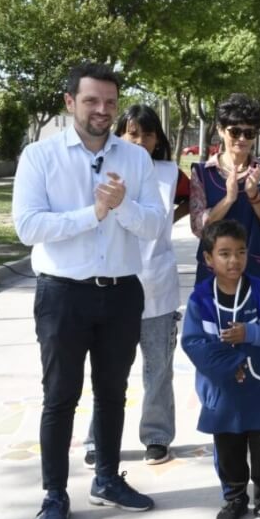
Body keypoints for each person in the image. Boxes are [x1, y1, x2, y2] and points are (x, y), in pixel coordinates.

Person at [12, 62, 165, 519]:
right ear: (69, 102)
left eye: (110, 102)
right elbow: (28, 227)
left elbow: (156, 225)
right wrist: (94, 212)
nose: (102, 110)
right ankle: (54, 495)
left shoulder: (136, 159)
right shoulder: (40, 156)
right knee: (60, 397)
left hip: (121, 293)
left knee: (113, 393)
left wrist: (124, 208)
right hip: (63, 294)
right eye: (92, 101)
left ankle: (107, 478)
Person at [81, 104, 189, 468]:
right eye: (132, 132)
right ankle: (97, 440)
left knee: (158, 368)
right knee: (109, 371)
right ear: (121, 134)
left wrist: (170, 219)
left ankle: (157, 437)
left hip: (156, 284)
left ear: (158, 138)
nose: (139, 140)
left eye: (147, 133)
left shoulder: (170, 173)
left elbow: (191, 199)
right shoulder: (107, 166)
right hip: (113, 283)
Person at [180, 219, 260, 519]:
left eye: (240, 252)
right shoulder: (200, 299)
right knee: (227, 443)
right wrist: (230, 366)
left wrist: (250, 333)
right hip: (222, 387)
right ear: (208, 259)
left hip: (257, 384)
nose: (234, 260)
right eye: (224, 253)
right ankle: (235, 497)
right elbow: (193, 343)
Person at [190, 93, 260, 286]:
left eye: (249, 133)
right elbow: (198, 227)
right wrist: (228, 199)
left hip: (258, 266)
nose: (242, 138)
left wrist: (254, 195)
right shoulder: (203, 172)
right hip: (214, 270)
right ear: (221, 130)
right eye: (235, 131)